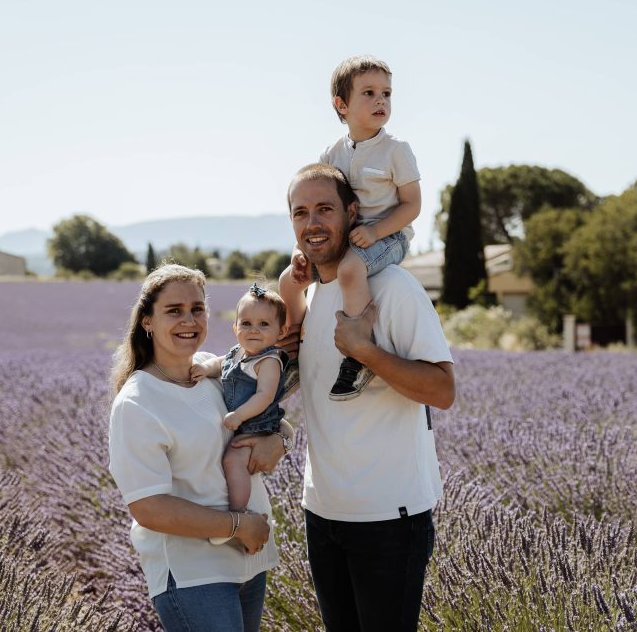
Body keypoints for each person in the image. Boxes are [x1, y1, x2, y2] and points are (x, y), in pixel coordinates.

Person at [283, 164, 455, 632]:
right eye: (301, 213)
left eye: (325, 209)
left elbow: (442, 390)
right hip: (322, 511)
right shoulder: (312, 295)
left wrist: (365, 351)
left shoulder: (395, 288)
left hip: (389, 518)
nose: (312, 223)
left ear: (352, 213)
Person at [107, 264, 291, 632]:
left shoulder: (215, 374)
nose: (188, 320)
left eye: (197, 308)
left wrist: (280, 440)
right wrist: (239, 525)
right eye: (173, 311)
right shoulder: (138, 402)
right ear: (147, 321)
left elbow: (271, 418)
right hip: (193, 574)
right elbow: (149, 508)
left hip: (248, 561)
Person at [279, 54, 422, 401]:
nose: (381, 101)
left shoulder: (396, 150)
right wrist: (302, 250)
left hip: (388, 236)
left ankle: (358, 354)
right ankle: (294, 347)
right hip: (345, 238)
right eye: (369, 93)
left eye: (386, 94)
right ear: (341, 105)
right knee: (288, 279)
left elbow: (412, 206)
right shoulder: (332, 154)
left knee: (350, 271)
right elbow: (321, 201)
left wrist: (375, 232)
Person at [189, 283, 289, 538]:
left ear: (281, 331)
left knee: (233, 462)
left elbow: (264, 396)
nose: (253, 330)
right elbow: (221, 363)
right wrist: (206, 368)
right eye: (246, 323)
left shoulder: (268, 361)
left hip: (256, 425)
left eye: (264, 324)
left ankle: (238, 512)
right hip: (242, 423)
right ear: (235, 328)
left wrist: (240, 415)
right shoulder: (238, 353)